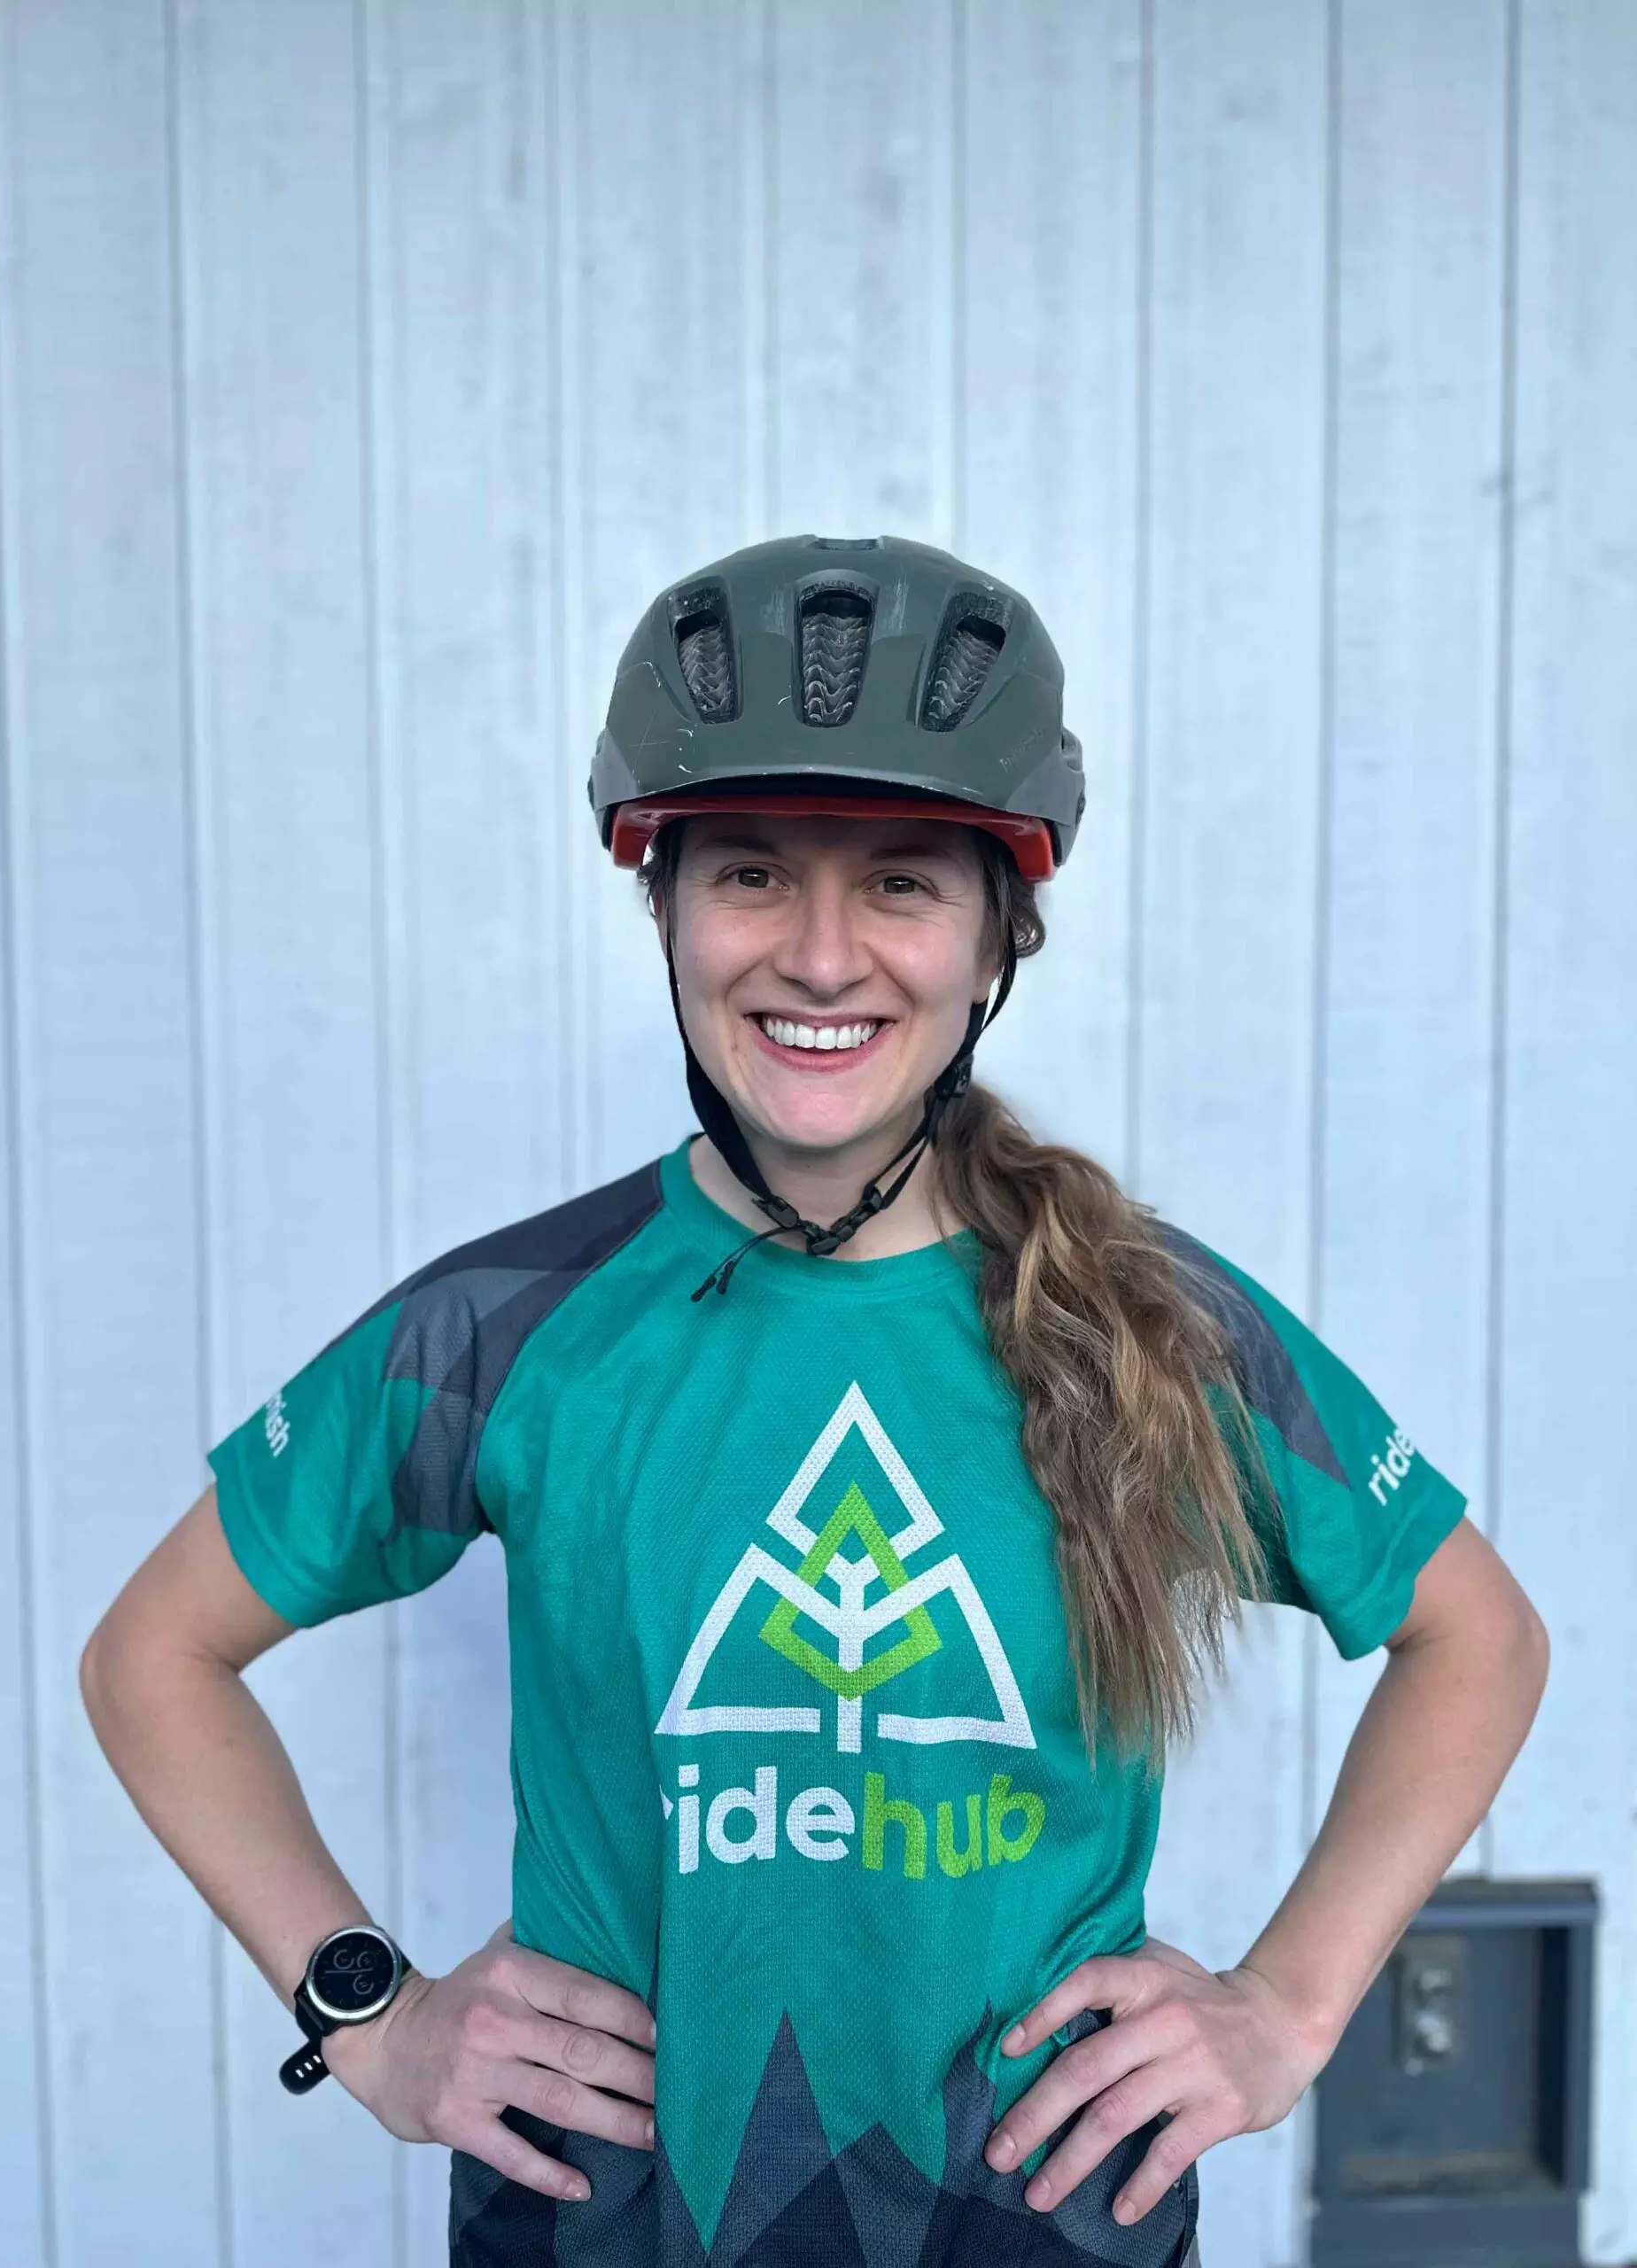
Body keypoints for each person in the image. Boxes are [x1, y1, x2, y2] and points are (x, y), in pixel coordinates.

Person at [81, 533, 1549, 2268]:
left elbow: (1479, 1633)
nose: (825, 954)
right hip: (611, 2224)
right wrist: (370, 2008)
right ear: (663, 897)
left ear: (1007, 922)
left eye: (907, 881)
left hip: (1039, 2220)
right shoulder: (515, 1322)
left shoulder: (1159, 1319)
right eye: (756, 873)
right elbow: (152, 1653)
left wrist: (1285, 2007)